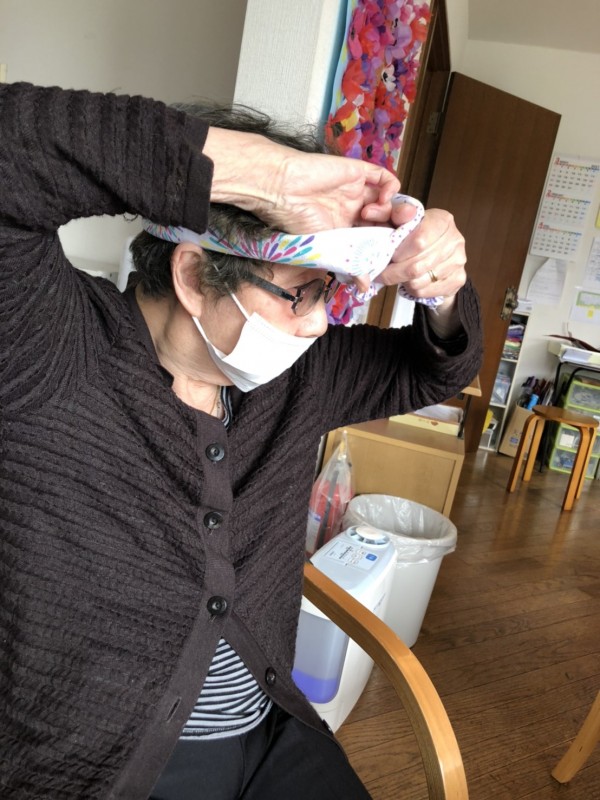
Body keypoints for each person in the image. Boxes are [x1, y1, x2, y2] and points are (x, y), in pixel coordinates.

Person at [0, 81, 482, 800]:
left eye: (329, 291)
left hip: (271, 735)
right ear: (195, 274)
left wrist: (439, 286)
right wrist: (267, 174)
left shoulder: (297, 379)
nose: (319, 322)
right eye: (301, 292)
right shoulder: (50, 345)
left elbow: (438, 369)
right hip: (103, 768)